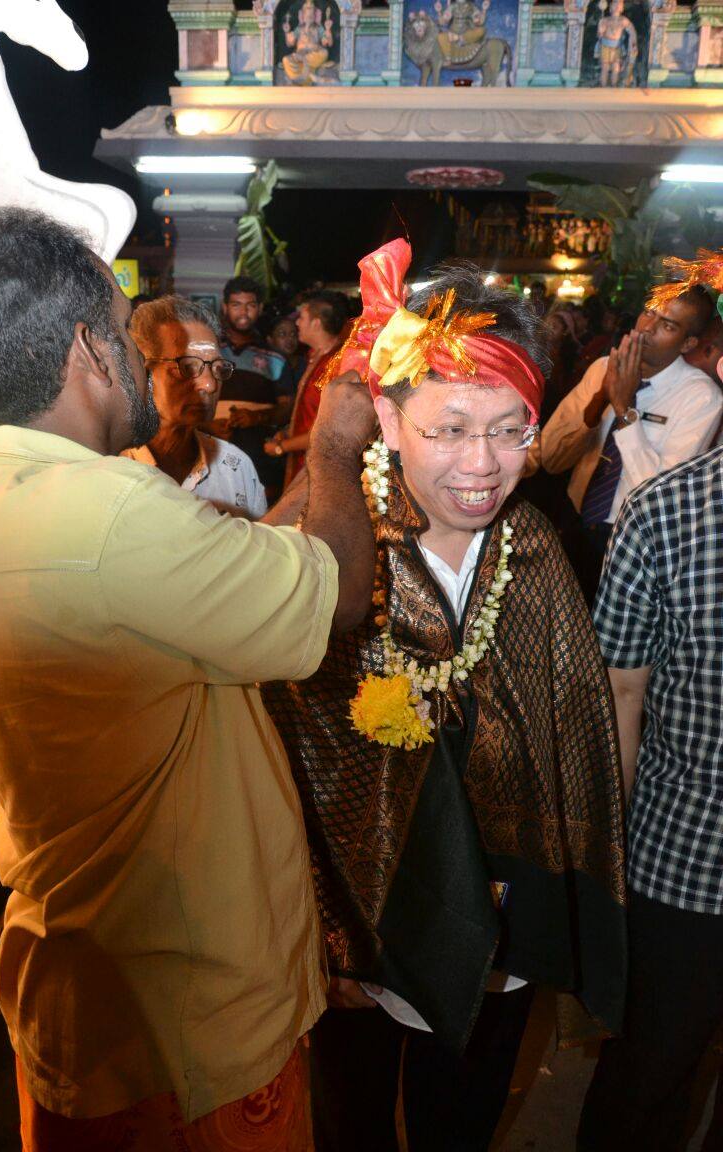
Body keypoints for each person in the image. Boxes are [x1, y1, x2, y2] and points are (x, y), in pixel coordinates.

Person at [0, 207, 377, 1150]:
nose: (151, 365)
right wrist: (336, 447)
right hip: (190, 1024)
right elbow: (341, 597)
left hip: (84, 1001)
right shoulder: (113, 515)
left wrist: (300, 485)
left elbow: (224, 571)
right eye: (126, 333)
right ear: (87, 352)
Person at [264, 239, 628, 1152]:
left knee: (460, 1125)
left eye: (510, 429)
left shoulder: (535, 551)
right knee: (349, 1124)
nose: (483, 464)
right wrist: (317, 930)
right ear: (388, 420)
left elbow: (570, 740)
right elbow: (282, 752)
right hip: (358, 932)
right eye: (451, 429)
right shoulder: (332, 551)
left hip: (499, 934)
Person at [578, 441, 723, 1152]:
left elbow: (622, 692)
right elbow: (620, 692)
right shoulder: (665, 507)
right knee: (646, 1081)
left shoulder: (664, 505)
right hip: (684, 860)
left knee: (650, 1078)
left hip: (681, 856)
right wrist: (608, 863)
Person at [539, 284, 722, 604]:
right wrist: (602, 397)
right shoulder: (602, 368)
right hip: (575, 522)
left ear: (688, 343)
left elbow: (662, 498)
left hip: (636, 541)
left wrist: (624, 408)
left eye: (668, 325)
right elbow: (551, 457)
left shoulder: (700, 397)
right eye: (648, 312)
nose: (648, 328)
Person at [125, 295, 267, 519]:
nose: (210, 385)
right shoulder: (109, 466)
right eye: (188, 367)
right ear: (142, 372)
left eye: (217, 367)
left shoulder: (236, 467)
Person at [216, 275, 294, 495]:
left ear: (259, 308)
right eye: (236, 305)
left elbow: (288, 408)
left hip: (260, 460)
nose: (243, 312)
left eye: (250, 305)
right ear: (225, 307)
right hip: (212, 451)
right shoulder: (211, 351)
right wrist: (206, 425)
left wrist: (257, 417)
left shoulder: (275, 358)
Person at [264, 291, 349, 486]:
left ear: (316, 323)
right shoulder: (313, 357)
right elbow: (309, 412)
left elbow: (330, 429)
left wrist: (282, 447)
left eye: (302, 318)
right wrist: (289, 432)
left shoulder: (337, 363)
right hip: (301, 460)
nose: (297, 323)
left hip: (319, 468)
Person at [267, 312, 306, 383]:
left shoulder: (305, 365)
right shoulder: (264, 366)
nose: (289, 339)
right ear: (270, 340)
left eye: (293, 334)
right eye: (282, 334)